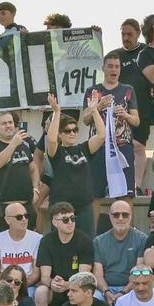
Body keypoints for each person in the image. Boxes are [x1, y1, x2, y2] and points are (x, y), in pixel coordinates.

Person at [81, 52, 140, 208]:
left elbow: (137, 121)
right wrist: (99, 106)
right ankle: (93, 232)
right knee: (94, 194)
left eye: (117, 66)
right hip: (98, 147)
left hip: (122, 147)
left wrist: (125, 115)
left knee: (125, 195)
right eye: (110, 66)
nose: (114, 70)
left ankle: (128, 231)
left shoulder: (128, 90)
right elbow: (85, 120)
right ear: (103, 68)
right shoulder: (93, 91)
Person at [44, 93, 106, 236]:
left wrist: (94, 110)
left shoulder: (85, 148)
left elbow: (102, 135)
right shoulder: (57, 152)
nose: (72, 133)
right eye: (67, 131)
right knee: (62, 243)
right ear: (61, 134)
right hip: (61, 206)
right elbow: (51, 140)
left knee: (87, 243)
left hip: (84, 205)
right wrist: (56, 112)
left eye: (75, 130)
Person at [112, 20, 154, 194]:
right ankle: (117, 185)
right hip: (119, 109)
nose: (126, 38)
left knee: (138, 146)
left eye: (129, 34)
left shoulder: (147, 51)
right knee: (117, 146)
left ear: (138, 33)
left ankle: (135, 186)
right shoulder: (115, 55)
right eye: (123, 34)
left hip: (143, 108)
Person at [33, 202, 95, 306]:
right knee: (40, 292)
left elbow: (83, 276)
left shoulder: (84, 241)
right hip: (54, 288)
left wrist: (67, 285)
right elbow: (44, 277)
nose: (71, 223)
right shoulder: (46, 241)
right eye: (65, 220)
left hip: (77, 287)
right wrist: (52, 283)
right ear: (55, 222)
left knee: (86, 292)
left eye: (73, 218)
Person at [0, 110, 39, 235]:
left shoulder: (23, 146)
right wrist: (13, 143)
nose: (8, 126)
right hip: (3, 209)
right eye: (3, 123)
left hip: (26, 207)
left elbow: (33, 169)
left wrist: (35, 189)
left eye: (10, 122)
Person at [93, 199, 148, 303]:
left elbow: (138, 272)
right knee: (94, 299)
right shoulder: (98, 241)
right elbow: (98, 275)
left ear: (131, 216)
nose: (120, 218)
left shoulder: (142, 239)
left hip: (132, 288)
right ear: (110, 216)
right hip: (105, 288)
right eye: (116, 215)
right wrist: (107, 292)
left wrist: (123, 293)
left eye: (125, 215)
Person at [0, 201, 42, 293]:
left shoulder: (37, 239)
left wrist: (18, 286)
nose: (24, 219)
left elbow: (35, 274)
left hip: (27, 286)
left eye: (26, 216)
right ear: (8, 220)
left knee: (34, 295)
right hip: (2, 286)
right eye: (19, 217)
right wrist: (6, 288)